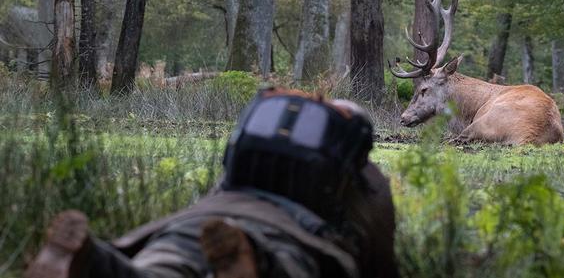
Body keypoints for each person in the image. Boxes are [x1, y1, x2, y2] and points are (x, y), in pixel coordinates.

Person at [25, 88, 398, 278]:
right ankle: (252, 260)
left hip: (201, 220)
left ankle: (92, 259)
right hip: (289, 233)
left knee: (162, 266)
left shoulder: (249, 157)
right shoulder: (368, 181)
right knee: (282, 264)